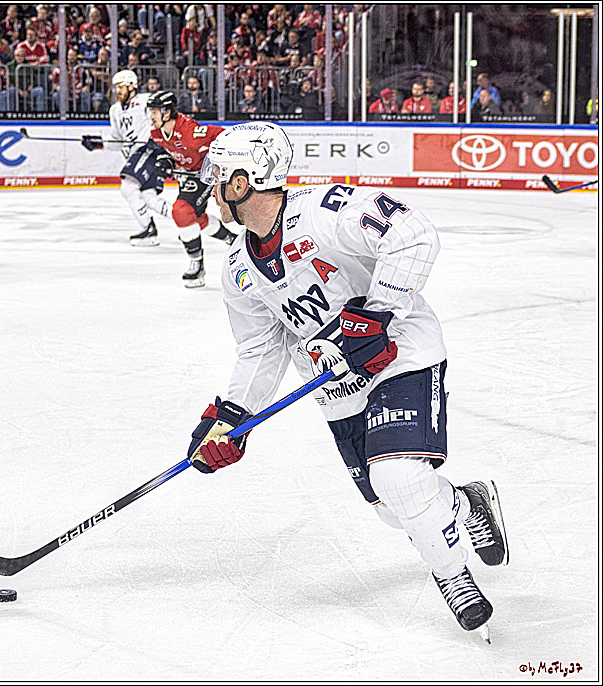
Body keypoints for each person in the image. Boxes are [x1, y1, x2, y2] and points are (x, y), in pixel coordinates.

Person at [190, 121, 509, 640]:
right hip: (334, 386)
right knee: (392, 508)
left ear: (243, 182)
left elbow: (412, 235)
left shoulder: (324, 211)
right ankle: (467, 502)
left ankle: (454, 579)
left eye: (218, 176)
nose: (211, 188)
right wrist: (230, 415)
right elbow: (260, 347)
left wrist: (377, 313)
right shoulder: (237, 269)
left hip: (400, 355)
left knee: (400, 480)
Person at [146, 90, 237, 288]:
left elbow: (224, 135)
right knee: (196, 218)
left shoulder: (190, 132)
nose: (151, 117)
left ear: (167, 113)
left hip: (203, 174)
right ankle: (231, 239)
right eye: (150, 112)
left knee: (181, 211)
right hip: (187, 176)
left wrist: (220, 166)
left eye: (155, 112)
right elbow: (167, 150)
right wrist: (165, 160)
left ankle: (197, 264)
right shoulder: (156, 132)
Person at [81, 70, 172, 246]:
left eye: (121, 87)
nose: (118, 91)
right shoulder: (114, 110)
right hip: (135, 155)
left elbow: (163, 119)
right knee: (149, 198)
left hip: (149, 151)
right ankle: (188, 220)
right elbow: (117, 140)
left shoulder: (145, 101)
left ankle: (148, 229)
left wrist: (160, 141)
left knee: (128, 188)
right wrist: (98, 143)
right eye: (116, 87)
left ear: (132, 86)